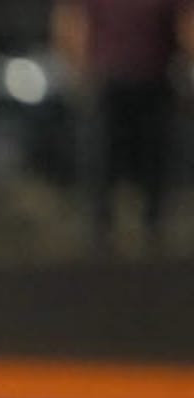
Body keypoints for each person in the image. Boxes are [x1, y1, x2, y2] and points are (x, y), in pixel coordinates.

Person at [52, 0, 194, 251]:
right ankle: (99, 230)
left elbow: (186, 25)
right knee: (101, 159)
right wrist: (78, 69)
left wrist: (186, 69)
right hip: (109, 79)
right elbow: (71, 22)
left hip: (154, 78)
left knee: (155, 157)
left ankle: (154, 226)